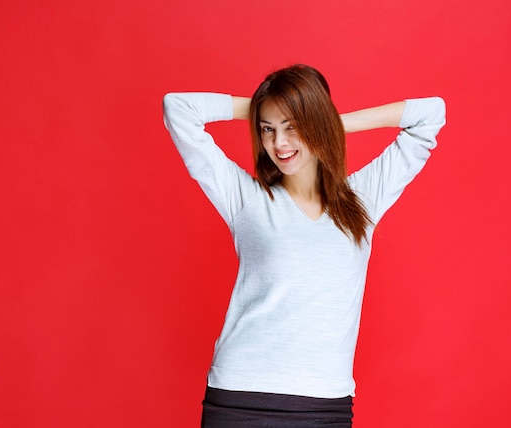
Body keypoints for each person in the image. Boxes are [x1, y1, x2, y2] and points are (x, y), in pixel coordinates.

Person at [163, 64, 446, 427]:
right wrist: (269, 105)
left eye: (291, 127)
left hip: (325, 404)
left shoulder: (364, 198)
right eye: (268, 129)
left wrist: (325, 121)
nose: (279, 143)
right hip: (240, 396)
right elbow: (178, 108)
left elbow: (431, 114)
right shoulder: (246, 198)